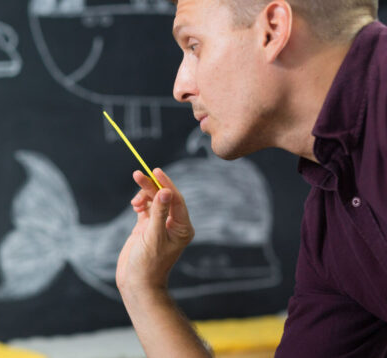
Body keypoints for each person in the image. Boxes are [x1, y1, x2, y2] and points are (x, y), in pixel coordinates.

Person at [115, 0, 386, 356]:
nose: (180, 88)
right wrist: (142, 289)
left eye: (194, 46)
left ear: (272, 29)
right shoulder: (332, 215)